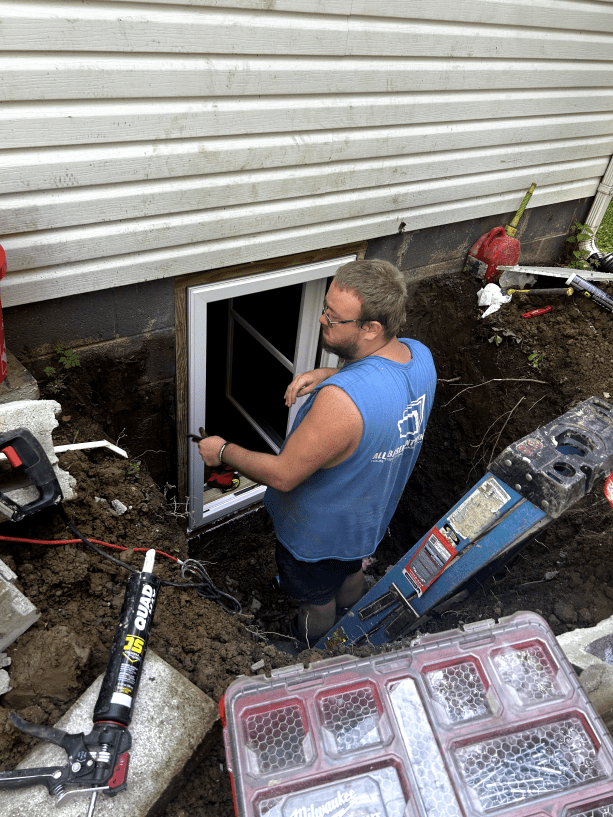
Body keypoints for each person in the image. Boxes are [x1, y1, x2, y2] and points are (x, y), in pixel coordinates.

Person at [198, 259, 436, 647]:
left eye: (334, 317)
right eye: (325, 307)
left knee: (316, 601)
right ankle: (355, 613)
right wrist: (329, 374)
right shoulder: (418, 357)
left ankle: (309, 645)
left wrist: (222, 450)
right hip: (364, 523)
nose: (322, 319)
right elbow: (379, 382)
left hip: (315, 536)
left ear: (371, 328)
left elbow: (282, 474)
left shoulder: (340, 404)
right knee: (350, 571)